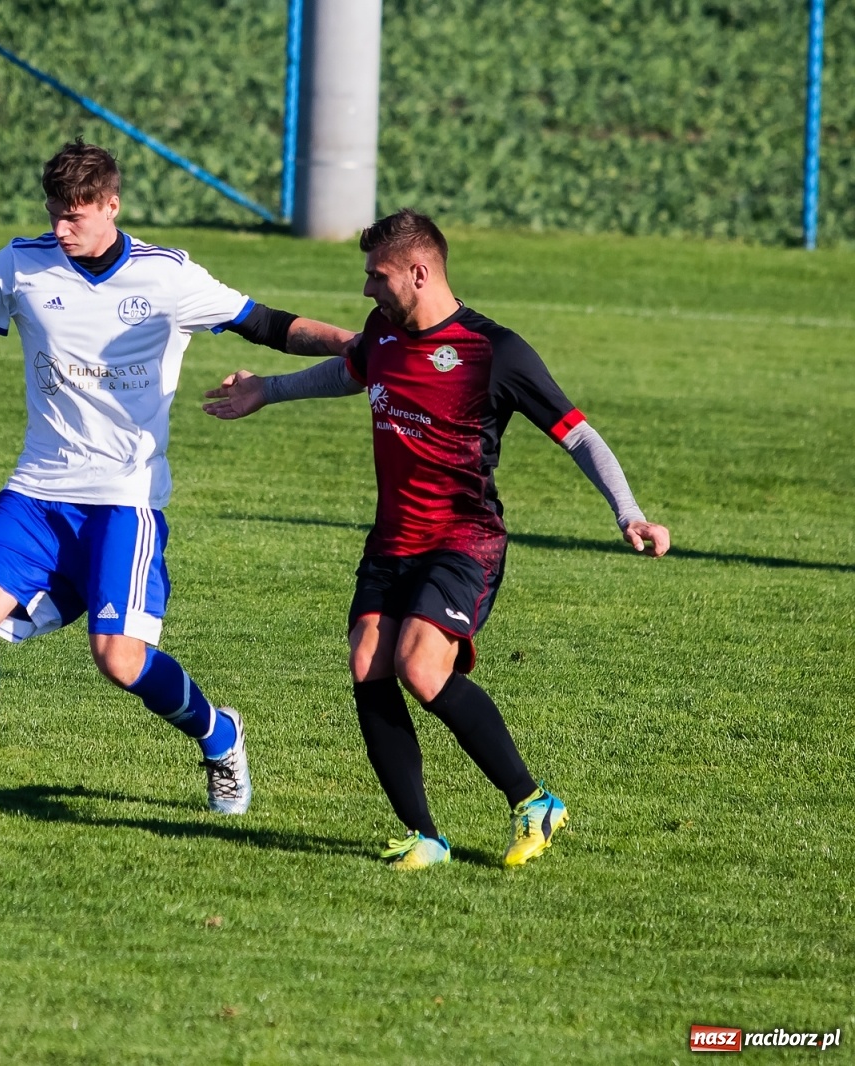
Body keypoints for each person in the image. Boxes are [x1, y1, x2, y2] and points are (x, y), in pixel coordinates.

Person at [0, 140, 314, 830]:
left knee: (119, 660)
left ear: (111, 207)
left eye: (76, 216)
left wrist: (364, 347)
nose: (62, 229)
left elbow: (267, 324)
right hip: (38, 488)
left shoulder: (167, 276)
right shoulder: (21, 265)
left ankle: (221, 737)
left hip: (126, 500)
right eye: (54, 214)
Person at [203, 208, 670, 869]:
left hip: (464, 538)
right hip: (392, 538)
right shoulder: (382, 333)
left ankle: (533, 799)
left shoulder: (493, 352)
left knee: (423, 667)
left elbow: (579, 433)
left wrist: (629, 513)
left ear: (419, 273)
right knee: (368, 661)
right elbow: (353, 371)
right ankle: (425, 835)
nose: (368, 290)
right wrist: (267, 391)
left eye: (377, 276)